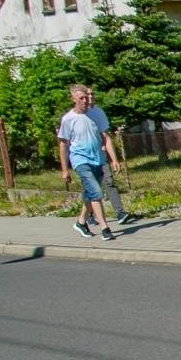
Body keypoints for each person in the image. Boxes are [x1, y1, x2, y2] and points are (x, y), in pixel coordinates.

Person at [57, 84, 117, 242]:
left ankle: (81, 222)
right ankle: (105, 228)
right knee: (96, 192)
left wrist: (113, 158)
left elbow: (105, 136)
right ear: (73, 99)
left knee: (90, 193)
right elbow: (63, 145)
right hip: (80, 160)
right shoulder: (68, 119)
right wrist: (64, 170)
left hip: (97, 158)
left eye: (86, 98)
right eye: (81, 98)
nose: (85, 101)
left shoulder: (94, 114)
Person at [85, 91, 139, 224]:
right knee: (91, 186)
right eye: (87, 95)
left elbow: (106, 135)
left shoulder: (98, 112)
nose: (90, 97)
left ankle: (120, 212)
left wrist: (114, 159)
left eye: (92, 94)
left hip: (101, 154)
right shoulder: (78, 114)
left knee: (109, 182)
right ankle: (89, 214)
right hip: (86, 157)